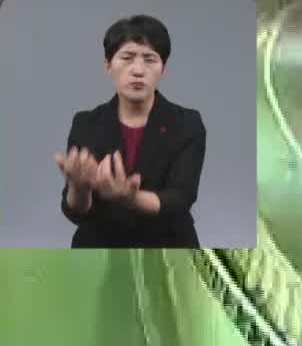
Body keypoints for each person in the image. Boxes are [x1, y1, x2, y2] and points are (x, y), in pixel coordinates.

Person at [53, 14, 205, 248]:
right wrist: (78, 187)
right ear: (108, 66)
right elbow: (76, 213)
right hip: (101, 251)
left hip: (168, 250)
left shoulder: (187, 123)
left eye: (149, 59)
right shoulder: (87, 123)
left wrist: (130, 198)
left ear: (163, 70)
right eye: (127, 58)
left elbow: (179, 199)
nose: (138, 70)